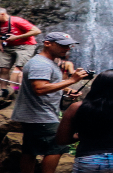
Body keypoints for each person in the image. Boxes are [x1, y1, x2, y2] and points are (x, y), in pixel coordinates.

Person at [12, 32, 91, 173]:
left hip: (34, 114)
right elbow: (40, 88)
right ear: (47, 43)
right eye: (62, 45)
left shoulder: (45, 62)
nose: (67, 49)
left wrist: (66, 89)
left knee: (30, 149)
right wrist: (72, 81)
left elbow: (47, 83)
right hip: (41, 114)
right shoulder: (41, 64)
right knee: (56, 147)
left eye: (68, 46)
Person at [0, 7, 42, 87]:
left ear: (2, 14)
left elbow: (37, 31)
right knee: (3, 68)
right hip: (9, 46)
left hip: (25, 45)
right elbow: (0, 34)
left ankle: (38, 86)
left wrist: (16, 37)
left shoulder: (17, 21)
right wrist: (0, 45)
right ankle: (3, 90)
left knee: (22, 67)